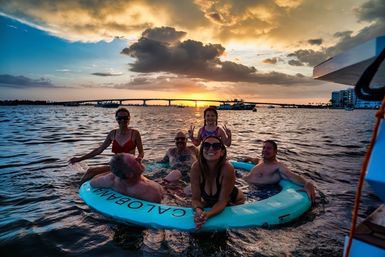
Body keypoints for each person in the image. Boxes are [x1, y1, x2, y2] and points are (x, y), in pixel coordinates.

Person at [69, 107, 144, 183]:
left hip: (129, 167)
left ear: (129, 119)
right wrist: (79, 159)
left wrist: (139, 158)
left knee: (90, 172)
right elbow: (99, 150)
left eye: (125, 118)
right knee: (91, 173)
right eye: (120, 118)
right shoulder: (113, 134)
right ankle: (81, 191)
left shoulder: (135, 133)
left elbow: (141, 152)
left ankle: (77, 191)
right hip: (116, 166)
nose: (122, 120)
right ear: (116, 119)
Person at [190, 136, 245, 230]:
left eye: (216, 146)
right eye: (206, 145)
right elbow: (195, 199)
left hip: (233, 201)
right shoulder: (196, 168)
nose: (211, 148)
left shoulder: (227, 169)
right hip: (211, 201)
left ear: (222, 152)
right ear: (202, 150)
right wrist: (198, 211)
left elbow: (222, 201)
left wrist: (208, 215)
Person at [243, 140, 316, 203]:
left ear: (275, 152)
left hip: (256, 191)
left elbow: (291, 175)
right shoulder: (261, 161)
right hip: (244, 183)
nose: (265, 150)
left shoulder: (278, 166)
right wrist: (249, 159)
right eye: (264, 148)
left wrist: (307, 183)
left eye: (268, 148)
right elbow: (255, 160)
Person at [90, 153, 163, 203]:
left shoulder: (111, 179)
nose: (140, 158)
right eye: (135, 161)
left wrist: (117, 171)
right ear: (129, 174)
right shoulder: (150, 191)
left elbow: (92, 182)